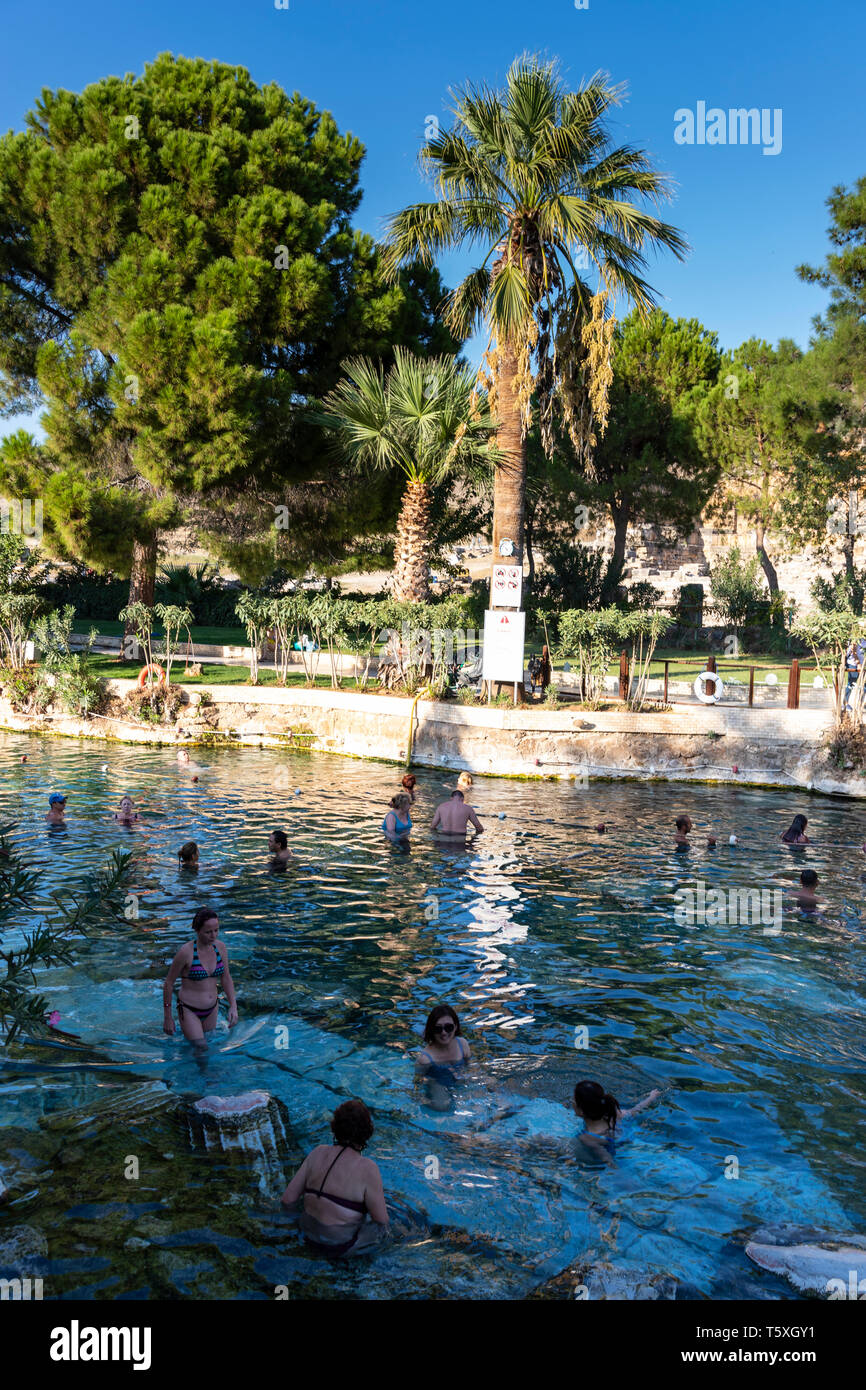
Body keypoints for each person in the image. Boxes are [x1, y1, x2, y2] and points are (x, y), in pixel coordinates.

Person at [280, 1099, 389, 1257]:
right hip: (339, 1248)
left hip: (305, 1237)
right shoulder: (368, 1169)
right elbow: (382, 1222)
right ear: (367, 1132)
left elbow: (287, 1200)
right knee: (383, 1227)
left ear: (335, 1127)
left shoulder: (317, 1152)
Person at [162, 907, 238, 1042]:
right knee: (200, 1048)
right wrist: (168, 1017)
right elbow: (169, 983)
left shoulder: (220, 948)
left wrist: (233, 1006)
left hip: (212, 1008)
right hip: (189, 1009)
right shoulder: (186, 952)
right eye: (208, 932)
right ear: (197, 931)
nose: (213, 935)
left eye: (216, 930)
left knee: (208, 1045)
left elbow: (226, 978)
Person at [573, 1078, 661, 1164]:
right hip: (629, 1138)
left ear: (581, 1111)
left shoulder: (587, 1138)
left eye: (573, 1100)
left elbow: (607, 1159)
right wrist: (651, 1098)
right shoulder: (612, 1114)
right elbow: (634, 1110)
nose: (572, 1103)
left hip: (618, 1151)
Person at [415, 1005, 471, 1111]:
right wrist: (420, 1098)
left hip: (458, 1078)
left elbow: (469, 1066)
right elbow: (417, 1081)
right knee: (442, 1106)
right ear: (431, 1030)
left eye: (448, 1027)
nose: (444, 1033)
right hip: (437, 1083)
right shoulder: (425, 1059)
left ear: (455, 1026)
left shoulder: (462, 1044)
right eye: (438, 1029)